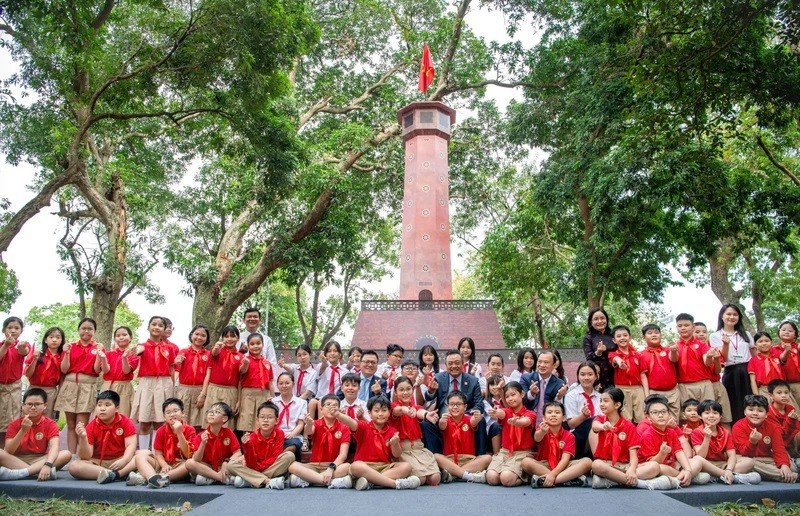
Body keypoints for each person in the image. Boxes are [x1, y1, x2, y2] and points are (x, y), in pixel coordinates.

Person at [590, 387, 673, 490]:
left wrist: (632, 469)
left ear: (617, 405)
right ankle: (639, 483)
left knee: (654, 466)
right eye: (601, 401)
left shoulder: (628, 426)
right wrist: (603, 426)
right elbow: (595, 426)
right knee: (596, 465)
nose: (602, 404)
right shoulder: (600, 419)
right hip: (605, 464)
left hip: (624, 466)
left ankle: (612, 480)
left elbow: (633, 455)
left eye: (606, 401)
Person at [339, 395, 420, 491]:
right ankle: (396, 484)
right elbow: (352, 423)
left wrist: (395, 444)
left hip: (384, 466)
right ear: (369, 413)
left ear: (389, 412)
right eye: (376, 411)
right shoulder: (364, 427)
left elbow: (397, 454)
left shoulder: (392, 431)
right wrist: (338, 415)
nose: (380, 414)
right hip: (365, 466)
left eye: (384, 410)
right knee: (356, 466)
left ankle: (371, 482)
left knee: (406, 466)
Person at [54, 317, 107, 453]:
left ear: (94, 331)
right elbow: (64, 369)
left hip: (87, 386)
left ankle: (81, 455)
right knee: (71, 424)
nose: (86, 331)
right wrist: (66, 353)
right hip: (70, 385)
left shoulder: (98, 347)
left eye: (90, 329)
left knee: (81, 424)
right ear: (78, 330)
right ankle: (70, 455)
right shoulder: (70, 346)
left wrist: (99, 355)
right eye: (83, 328)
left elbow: (97, 370)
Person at [421, 351, 486, 455]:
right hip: (443, 419)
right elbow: (428, 398)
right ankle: (436, 460)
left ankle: (480, 456)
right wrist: (431, 391)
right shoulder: (438, 378)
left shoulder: (473, 381)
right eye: (450, 363)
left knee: (481, 420)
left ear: (462, 364)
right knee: (426, 424)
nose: (454, 366)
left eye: (457, 363)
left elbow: (479, 404)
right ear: (446, 365)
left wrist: (466, 415)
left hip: (465, 419)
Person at [0, 388, 71, 480]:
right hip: (17, 459)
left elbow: (54, 447)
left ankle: (20, 473)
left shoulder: (50, 424)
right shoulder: (15, 424)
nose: (33, 407)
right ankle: (36, 473)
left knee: (66, 454)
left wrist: (47, 464)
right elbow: (9, 451)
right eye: (29, 404)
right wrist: (23, 430)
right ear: (23, 406)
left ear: (45, 406)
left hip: (40, 459)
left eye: (37, 404)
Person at [68, 390, 137, 484]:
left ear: (117, 408)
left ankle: (113, 474)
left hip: (120, 461)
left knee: (143, 454)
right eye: (99, 405)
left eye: (107, 405)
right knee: (74, 466)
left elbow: (131, 445)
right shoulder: (91, 426)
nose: (102, 408)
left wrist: (124, 460)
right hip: (97, 463)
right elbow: (85, 456)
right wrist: (83, 437)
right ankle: (116, 475)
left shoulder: (126, 422)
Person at [130, 316, 177, 452]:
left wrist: (172, 388)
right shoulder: (143, 346)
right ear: (148, 327)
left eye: (160, 325)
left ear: (164, 329)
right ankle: (143, 454)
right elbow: (138, 350)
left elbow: (172, 368)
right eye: (153, 324)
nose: (156, 327)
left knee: (160, 422)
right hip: (147, 384)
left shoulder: (170, 348)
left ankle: (157, 455)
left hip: (165, 383)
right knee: (144, 422)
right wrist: (138, 350)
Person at [129, 398, 196, 488]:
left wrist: (179, 433)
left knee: (189, 464)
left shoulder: (190, 429)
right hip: (163, 463)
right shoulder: (161, 430)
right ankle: (152, 477)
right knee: (139, 457)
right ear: (164, 416)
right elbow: (158, 454)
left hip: (181, 464)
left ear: (183, 413)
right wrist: (164, 465)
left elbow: (188, 455)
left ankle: (159, 478)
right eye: (168, 412)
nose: (172, 414)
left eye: (175, 411)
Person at [522, 401, 592, 488]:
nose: (553, 415)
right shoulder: (542, 430)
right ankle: (567, 479)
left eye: (557, 412)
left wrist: (553, 474)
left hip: (563, 465)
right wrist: (542, 432)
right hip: (544, 464)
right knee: (526, 462)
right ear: (544, 418)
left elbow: (565, 459)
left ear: (563, 418)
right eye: (549, 412)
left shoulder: (569, 435)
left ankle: (549, 480)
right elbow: (537, 438)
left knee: (587, 462)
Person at [228, 401, 295, 489]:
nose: (265, 420)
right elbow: (251, 464)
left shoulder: (279, 433)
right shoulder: (251, 437)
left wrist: (257, 471)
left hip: (269, 466)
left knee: (289, 456)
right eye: (262, 417)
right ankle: (268, 481)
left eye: (270, 417)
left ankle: (252, 479)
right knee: (231, 465)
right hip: (254, 467)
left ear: (277, 420)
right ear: (257, 421)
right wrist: (246, 446)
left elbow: (275, 456)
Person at [691, 399, 759, 485]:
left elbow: (732, 455)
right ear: (700, 416)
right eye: (707, 413)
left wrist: (729, 469)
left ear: (720, 417)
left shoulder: (725, 432)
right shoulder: (696, 432)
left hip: (722, 464)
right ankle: (728, 476)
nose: (711, 416)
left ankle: (718, 477)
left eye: (715, 413)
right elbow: (701, 455)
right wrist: (707, 438)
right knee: (697, 459)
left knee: (749, 462)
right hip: (706, 465)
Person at [732, 394, 797, 483]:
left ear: (766, 414)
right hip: (745, 458)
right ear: (745, 412)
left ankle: (781, 474)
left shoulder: (773, 427)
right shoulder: (738, 426)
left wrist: (784, 465)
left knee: (791, 467)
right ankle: (788, 477)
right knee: (749, 463)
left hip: (766, 458)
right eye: (751, 410)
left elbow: (779, 449)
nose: (755, 413)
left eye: (760, 411)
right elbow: (744, 453)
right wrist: (752, 442)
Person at [390, 376, 441, 486]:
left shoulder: (415, 407)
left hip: (419, 449)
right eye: (401, 390)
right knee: (420, 479)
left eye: (408, 389)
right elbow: (398, 410)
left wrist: (427, 414)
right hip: (404, 451)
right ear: (395, 392)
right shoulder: (393, 407)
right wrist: (406, 410)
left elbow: (420, 412)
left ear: (412, 390)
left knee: (435, 479)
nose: (405, 392)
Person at [637, 397, 698, 487]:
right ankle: (683, 478)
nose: (660, 415)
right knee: (657, 467)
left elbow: (679, 452)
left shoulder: (671, 431)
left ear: (669, 414)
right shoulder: (647, 435)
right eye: (655, 413)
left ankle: (679, 479)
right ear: (648, 417)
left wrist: (688, 469)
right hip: (653, 467)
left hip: (671, 466)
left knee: (697, 461)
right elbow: (654, 462)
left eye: (663, 412)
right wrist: (662, 453)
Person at [294, 394, 353, 488]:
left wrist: (331, 468)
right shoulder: (316, 424)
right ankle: (328, 481)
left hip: (334, 465)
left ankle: (311, 480)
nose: (331, 408)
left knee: (346, 467)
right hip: (315, 466)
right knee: (292, 466)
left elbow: (343, 455)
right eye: (328, 404)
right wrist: (308, 424)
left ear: (339, 409)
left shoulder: (344, 427)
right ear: (321, 409)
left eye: (334, 405)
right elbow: (309, 431)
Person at [710, 304, 754, 422]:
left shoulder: (746, 334)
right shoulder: (715, 336)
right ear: (722, 316)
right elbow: (722, 357)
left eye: (735, 314)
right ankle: (737, 430)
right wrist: (726, 344)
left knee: (750, 401)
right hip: (730, 371)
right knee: (733, 402)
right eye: (728, 314)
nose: (732, 317)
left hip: (747, 370)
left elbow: (753, 354)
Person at [485, 381, 535, 487]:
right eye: (507, 396)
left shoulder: (530, 413)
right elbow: (501, 413)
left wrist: (517, 422)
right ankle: (510, 472)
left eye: (513, 395)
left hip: (522, 453)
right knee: (491, 478)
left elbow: (525, 421)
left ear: (522, 394)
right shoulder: (506, 411)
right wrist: (495, 412)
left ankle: (526, 477)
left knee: (506, 479)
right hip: (505, 452)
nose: (510, 399)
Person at [434, 391, 490, 484]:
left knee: (488, 458)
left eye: (458, 404)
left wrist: (477, 417)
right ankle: (468, 476)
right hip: (450, 461)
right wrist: (441, 421)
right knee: (436, 457)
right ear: (448, 406)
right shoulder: (445, 420)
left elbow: (474, 421)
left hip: (469, 461)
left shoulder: (469, 419)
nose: (455, 407)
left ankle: (454, 475)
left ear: (465, 407)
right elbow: (441, 426)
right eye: (452, 404)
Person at [185, 402, 242, 485]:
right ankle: (219, 478)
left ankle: (210, 478)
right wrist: (203, 444)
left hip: (223, 466)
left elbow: (238, 453)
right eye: (210, 411)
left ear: (224, 418)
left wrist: (226, 462)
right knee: (189, 463)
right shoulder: (201, 435)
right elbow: (196, 459)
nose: (211, 414)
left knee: (241, 459)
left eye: (217, 412)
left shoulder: (228, 433)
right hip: (208, 467)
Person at [671, 313, 717, 408]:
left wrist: (709, 356)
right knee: (689, 414)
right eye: (680, 326)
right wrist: (673, 351)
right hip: (684, 386)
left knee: (708, 411)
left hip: (704, 384)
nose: (683, 328)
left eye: (686, 325)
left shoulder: (702, 345)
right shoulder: (675, 346)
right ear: (677, 328)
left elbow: (707, 363)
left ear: (693, 326)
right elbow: (674, 359)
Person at [203, 326, 246, 429]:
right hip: (214, 390)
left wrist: (239, 400)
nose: (229, 339)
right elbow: (214, 353)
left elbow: (240, 380)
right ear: (222, 338)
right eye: (226, 336)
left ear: (238, 338)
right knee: (210, 421)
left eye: (233, 336)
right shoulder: (218, 351)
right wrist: (216, 347)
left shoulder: (241, 356)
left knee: (227, 424)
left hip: (231, 392)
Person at [174, 324, 213, 430]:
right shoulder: (183, 352)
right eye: (196, 334)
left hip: (200, 391)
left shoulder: (209, 355)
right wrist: (176, 362)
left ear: (207, 338)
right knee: (182, 422)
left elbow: (208, 375)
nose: (199, 337)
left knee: (199, 424)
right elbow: (176, 369)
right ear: (191, 335)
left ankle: (196, 445)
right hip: (184, 391)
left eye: (203, 335)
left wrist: (203, 394)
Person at [0, 316, 31, 447]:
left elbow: (24, 351)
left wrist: (21, 347)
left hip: (14, 388)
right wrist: (6, 345)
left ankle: (7, 450)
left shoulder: (22, 344)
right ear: (3, 330)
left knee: (12, 420)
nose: (13, 330)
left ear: (21, 331)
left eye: (17, 328)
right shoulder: (2, 345)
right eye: (10, 327)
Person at [695, 322, 733, 425]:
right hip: (700, 388)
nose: (701, 334)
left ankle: (726, 439)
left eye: (704, 332)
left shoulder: (713, 349)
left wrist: (716, 358)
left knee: (724, 417)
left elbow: (718, 370)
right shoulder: (690, 349)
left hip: (716, 384)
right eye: (697, 332)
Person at [641, 324, 680, 422]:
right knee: (657, 420)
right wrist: (647, 396)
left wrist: (674, 351)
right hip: (654, 392)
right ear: (644, 337)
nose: (654, 335)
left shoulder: (668, 350)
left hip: (673, 392)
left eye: (656, 333)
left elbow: (674, 359)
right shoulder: (641, 354)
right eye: (650, 333)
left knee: (674, 420)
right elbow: (643, 376)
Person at [237, 333, 275, 433]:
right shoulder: (245, 360)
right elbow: (242, 371)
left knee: (262, 422)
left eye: (258, 343)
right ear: (248, 346)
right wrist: (245, 363)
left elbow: (270, 382)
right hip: (248, 395)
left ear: (263, 345)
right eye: (252, 344)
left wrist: (273, 397)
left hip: (264, 395)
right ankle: (247, 446)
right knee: (247, 421)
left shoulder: (267, 363)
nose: (255, 346)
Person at [609, 325, 647, 423]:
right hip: (622, 389)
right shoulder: (613, 354)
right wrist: (620, 362)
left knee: (642, 416)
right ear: (614, 340)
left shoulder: (638, 355)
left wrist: (647, 395)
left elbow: (643, 375)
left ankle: (641, 437)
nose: (622, 338)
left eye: (625, 335)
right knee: (626, 418)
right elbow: (615, 359)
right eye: (619, 336)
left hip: (638, 389)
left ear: (630, 337)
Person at [24, 327, 64, 419]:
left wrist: (59, 395)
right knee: (29, 415)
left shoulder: (62, 357)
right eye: (51, 337)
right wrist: (35, 359)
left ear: (61, 341)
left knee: (47, 416)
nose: (54, 340)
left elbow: (62, 377)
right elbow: (28, 374)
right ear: (45, 340)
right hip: (33, 388)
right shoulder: (38, 354)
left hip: (50, 391)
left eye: (58, 337)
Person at [564, 361, 602, 459]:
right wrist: (583, 416)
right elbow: (571, 424)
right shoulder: (571, 395)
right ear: (578, 376)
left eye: (590, 374)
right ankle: (598, 458)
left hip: (600, 434)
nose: (586, 378)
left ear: (596, 376)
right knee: (593, 422)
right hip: (577, 437)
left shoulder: (601, 397)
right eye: (582, 374)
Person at [519, 350, 567, 425]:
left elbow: (558, 408)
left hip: (549, 423)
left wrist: (559, 397)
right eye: (539, 362)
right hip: (528, 421)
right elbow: (521, 400)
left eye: (546, 362)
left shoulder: (559, 383)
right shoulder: (526, 378)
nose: (542, 365)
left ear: (554, 365)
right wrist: (531, 393)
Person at [101, 326, 139, 417]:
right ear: (115, 339)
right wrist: (103, 358)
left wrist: (124, 357)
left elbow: (126, 371)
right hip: (108, 386)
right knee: (104, 414)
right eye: (118, 336)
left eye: (124, 335)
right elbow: (105, 370)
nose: (121, 337)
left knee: (122, 414)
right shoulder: (108, 354)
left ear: (130, 338)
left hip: (124, 387)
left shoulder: (134, 355)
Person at [271, 372, 307, 460]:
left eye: (287, 383)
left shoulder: (302, 403)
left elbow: (300, 424)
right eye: (281, 383)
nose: (284, 386)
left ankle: (275, 462)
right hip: (274, 435)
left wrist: (291, 435)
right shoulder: (272, 402)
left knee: (293, 446)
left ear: (293, 384)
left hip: (293, 435)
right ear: (277, 385)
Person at [583, 307, 617, 391]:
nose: (599, 321)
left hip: (615, 374)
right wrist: (598, 352)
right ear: (591, 322)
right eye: (596, 319)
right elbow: (589, 359)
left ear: (607, 320)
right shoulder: (589, 337)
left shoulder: (614, 335)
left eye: (602, 318)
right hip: (598, 376)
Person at [312, 340, 349, 418]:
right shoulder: (321, 366)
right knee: (313, 402)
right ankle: (311, 427)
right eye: (329, 351)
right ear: (325, 354)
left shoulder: (345, 372)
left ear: (340, 354)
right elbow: (323, 367)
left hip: (336, 399)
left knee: (323, 403)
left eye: (335, 351)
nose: (332, 353)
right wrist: (324, 362)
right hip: (321, 397)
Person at [749, 332, 790, 398]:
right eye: (760, 341)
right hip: (765, 391)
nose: (764, 343)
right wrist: (757, 396)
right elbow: (752, 381)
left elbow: (784, 357)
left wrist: (787, 351)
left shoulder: (777, 355)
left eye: (767, 341)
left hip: (781, 389)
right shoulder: (753, 361)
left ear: (771, 343)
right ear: (755, 345)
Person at [766, 380, 800, 459]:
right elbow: (779, 434)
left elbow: (797, 428)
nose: (784, 395)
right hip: (778, 443)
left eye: (786, 392)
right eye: (779, 393)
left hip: (792, 440)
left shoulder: (790, 408)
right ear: (771, 395)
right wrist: (790, 420)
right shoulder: (768, 413)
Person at [776, 321, 800, 409]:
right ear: (779, 332)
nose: (786, 332)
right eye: (783, 330)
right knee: (791, 411)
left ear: (795, 334)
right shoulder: (773, 350)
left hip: (798, 383)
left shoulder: (798, 348)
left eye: (790, 331)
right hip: (783, 386)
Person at [484, 375, 506, 454]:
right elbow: (495, 416)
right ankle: (497, 455)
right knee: (496, 425)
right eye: (492, 385)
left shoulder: (507, 400)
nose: (495, 387)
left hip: (506, 429)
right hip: (491, 433)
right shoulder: (485, 402)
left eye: (497, 384)